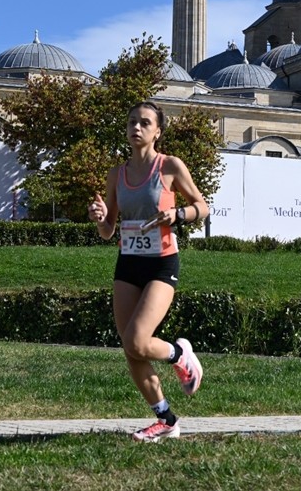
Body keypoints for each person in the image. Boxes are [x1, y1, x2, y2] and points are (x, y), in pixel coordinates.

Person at [87, 100, 208, 442]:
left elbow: (202, 207)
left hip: (161, 262)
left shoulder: (169, 166)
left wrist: (178, 215)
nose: (136, 128)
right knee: (131, 349)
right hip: (128, 262)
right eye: (131, 122)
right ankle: (166, 420)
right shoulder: (117, 174)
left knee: (138, 340)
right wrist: (100, 217)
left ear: (157, 132)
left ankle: (180, 355)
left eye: (144, 123)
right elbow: (108, 230)